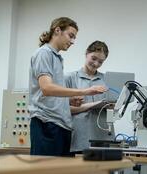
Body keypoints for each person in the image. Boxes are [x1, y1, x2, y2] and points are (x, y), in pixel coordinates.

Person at [29, 17, 107, 156]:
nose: (72, 41)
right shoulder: (43, 53)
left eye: (74, 38)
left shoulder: (57, 58)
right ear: (57, 30)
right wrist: (85, 91)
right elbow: (46, 88)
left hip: (61, 125)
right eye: (70, 36)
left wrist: (68, 101)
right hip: (47, 123)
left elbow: (52, 94)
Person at [65, 41, 114, 153]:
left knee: (102, 170)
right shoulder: (70, 78)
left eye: (100, 62)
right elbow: (63, 109)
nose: (96, 64)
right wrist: (92, 105)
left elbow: (112, 109)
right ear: (86, 53)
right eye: (93, 58)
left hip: (103, 137)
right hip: (78, 138)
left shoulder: (107, 80)